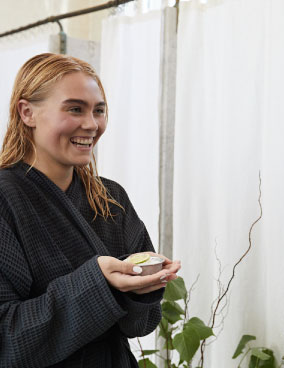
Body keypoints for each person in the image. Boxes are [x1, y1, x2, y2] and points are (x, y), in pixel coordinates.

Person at [0, 53, 181, 367]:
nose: (92, 124)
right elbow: (7, 339)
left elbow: (142, 324)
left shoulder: (111, 199)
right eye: (74, 109)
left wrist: (141, 288)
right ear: (27, 112)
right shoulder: (5, 200)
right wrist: (99, 283)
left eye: (99, 110)